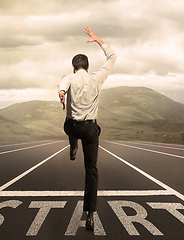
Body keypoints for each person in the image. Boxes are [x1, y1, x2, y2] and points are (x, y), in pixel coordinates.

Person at [57, 27, 117, 230]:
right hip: (90, 130)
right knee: (91, 170)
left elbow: (63, 82)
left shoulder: (70, 77)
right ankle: (90, 214)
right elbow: (112, 57)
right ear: (88, 66)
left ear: (74, 67)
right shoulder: (96, 78)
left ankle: (73, 147)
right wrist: (98, 39)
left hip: (72, 127)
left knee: (68, 126)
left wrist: (62, 92)